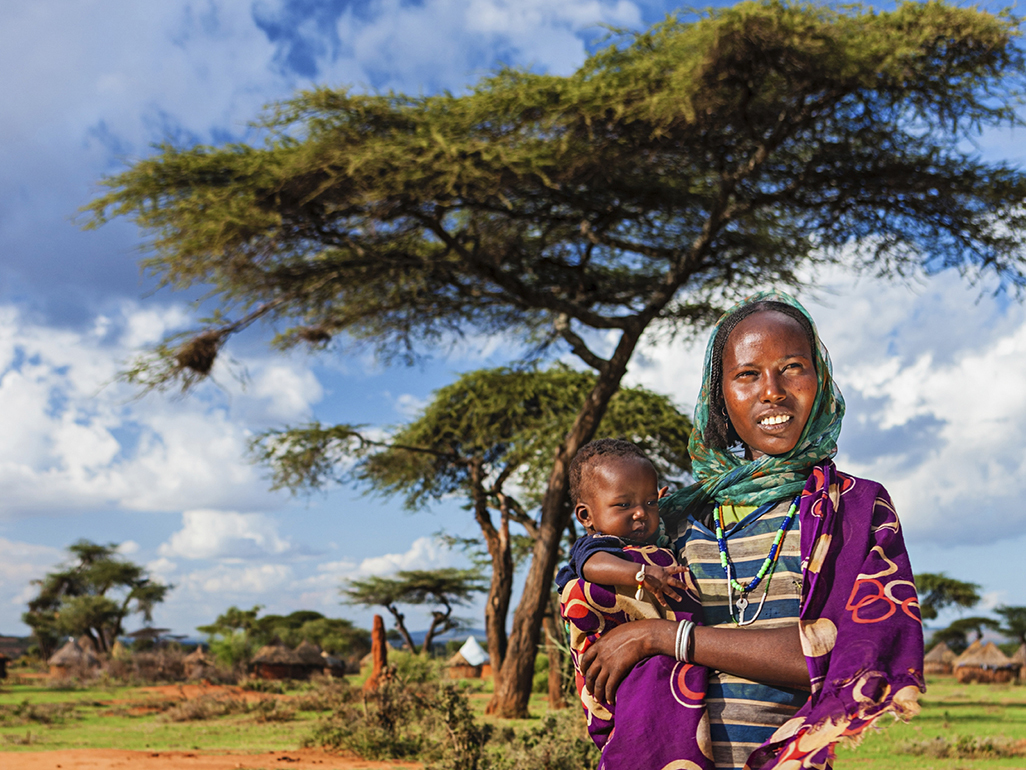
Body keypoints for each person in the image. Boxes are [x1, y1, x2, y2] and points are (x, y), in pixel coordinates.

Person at [570, 291, 925, 770]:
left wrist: (663, 637)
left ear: (819, 381)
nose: (772, 391)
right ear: (721, 396)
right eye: (747, 374)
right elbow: (599, 616)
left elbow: (840, 657)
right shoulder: (670, 519)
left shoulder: (854, 510)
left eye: (793, 367)